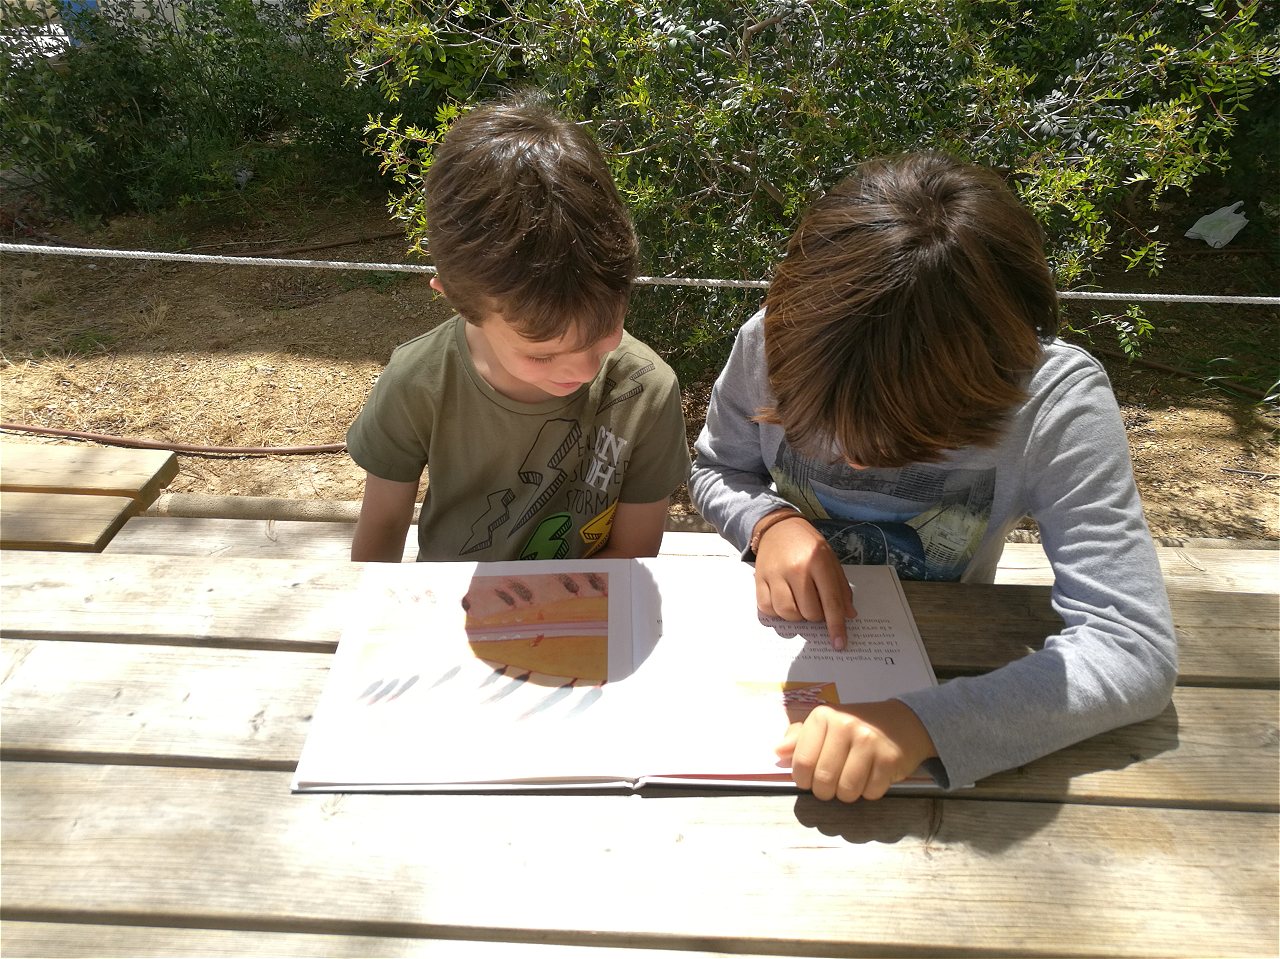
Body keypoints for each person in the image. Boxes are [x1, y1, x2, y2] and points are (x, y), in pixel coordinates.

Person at [689, 152, 1177, 802]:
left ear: (989, 388)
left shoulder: (1054, 402)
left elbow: (1133, 645)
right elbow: (718, 467)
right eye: (819, 425)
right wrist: (768, 521)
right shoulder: (776, 342)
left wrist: (922, 725)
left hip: (949, 660)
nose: (852, 460)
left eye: (901, 442)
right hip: (773, 649)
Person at [348, 93, 690, 563]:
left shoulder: (647, 391)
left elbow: (633, 552)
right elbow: (382, 527)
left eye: (603, 333)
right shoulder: (417, 380)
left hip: (587, 599)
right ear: (460, 302)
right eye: (541, 354)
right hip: (449, 597)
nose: (584, 370)